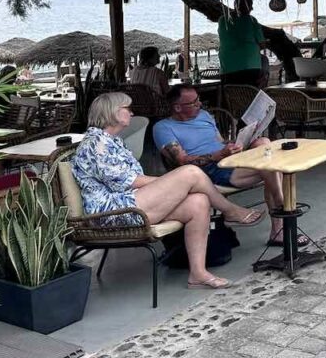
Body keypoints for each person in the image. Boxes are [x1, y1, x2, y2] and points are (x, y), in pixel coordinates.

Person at [72, 92, 264, 290]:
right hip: (113, 212)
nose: (132, 112)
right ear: (112, 112)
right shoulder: (96, 143)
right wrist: (172, 182)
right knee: (190, 173)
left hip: (130, 203)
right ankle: (230, 211)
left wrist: (172, 184)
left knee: (198, 202)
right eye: (127, 108)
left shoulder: (113, 141)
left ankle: (198, 273)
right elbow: (129, 182)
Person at [153, 84, 304, 248]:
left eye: (199, 100)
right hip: (206, 170)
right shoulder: (163, 128)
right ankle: (281, 214)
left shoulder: (203, 115)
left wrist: (235, 144)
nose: (200, 104)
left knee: (264, 143)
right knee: (271, 166)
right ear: (177, 107)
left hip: (227, 159)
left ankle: (280, 216)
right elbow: (182, 161)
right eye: (194, 102)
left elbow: (219, 142)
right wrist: (217, 155)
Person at [217, 0, 266, 87]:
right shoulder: (252, 20)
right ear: (248, 7)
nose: (252, 8)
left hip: (227, 67)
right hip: (250, 66)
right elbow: (262, 44)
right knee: (250, 94)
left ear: (235, 5)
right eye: (250, 6)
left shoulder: (222, 20)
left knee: (230, 95)